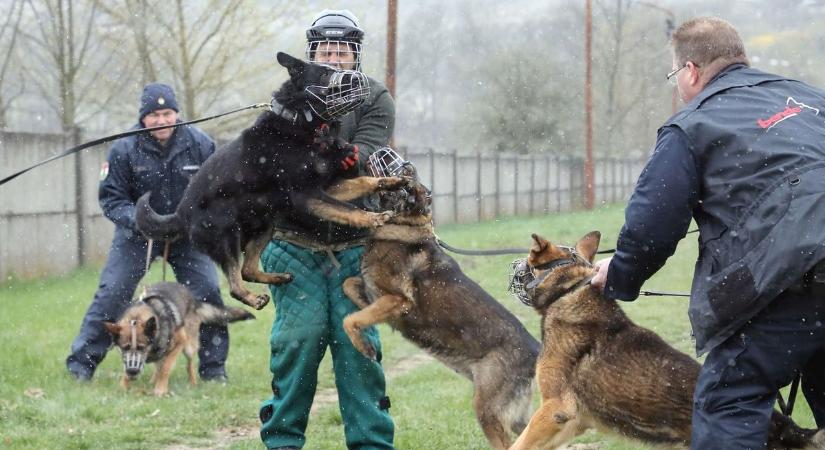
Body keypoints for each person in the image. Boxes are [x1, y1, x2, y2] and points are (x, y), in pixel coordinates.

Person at [590, 17, 825, 449]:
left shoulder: (691, 125)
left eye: (675, 75)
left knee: (729, 403)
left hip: (783, 285)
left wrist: (621, 274)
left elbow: (651, 225)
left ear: (691, 70)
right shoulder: (811, 99)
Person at [257, 9, 396, 450]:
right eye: (325, 51)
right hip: (291, 240)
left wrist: (314, 142)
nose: (334, 59)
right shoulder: (288, 98)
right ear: (312, 52)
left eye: (343, 51)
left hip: (356, 243)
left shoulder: (376, 98)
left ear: (356, 55)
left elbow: (358, 159)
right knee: (299, 338)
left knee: (356, 342)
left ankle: (371, 441)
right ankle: (281, 439)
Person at [66, 83, 232, 383]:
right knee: (112, 293)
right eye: (153, 115)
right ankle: (81, 365)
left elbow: (217, 193)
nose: (160, 120)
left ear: (177, 114)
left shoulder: (201, 144)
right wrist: (139, 221)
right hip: (137, 236)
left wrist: (197, 220)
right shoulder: (123, 149)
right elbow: (112, 199)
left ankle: (213, 370)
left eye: (166, 113)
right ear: (143, 118)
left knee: (207, 292)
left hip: (187, 236)